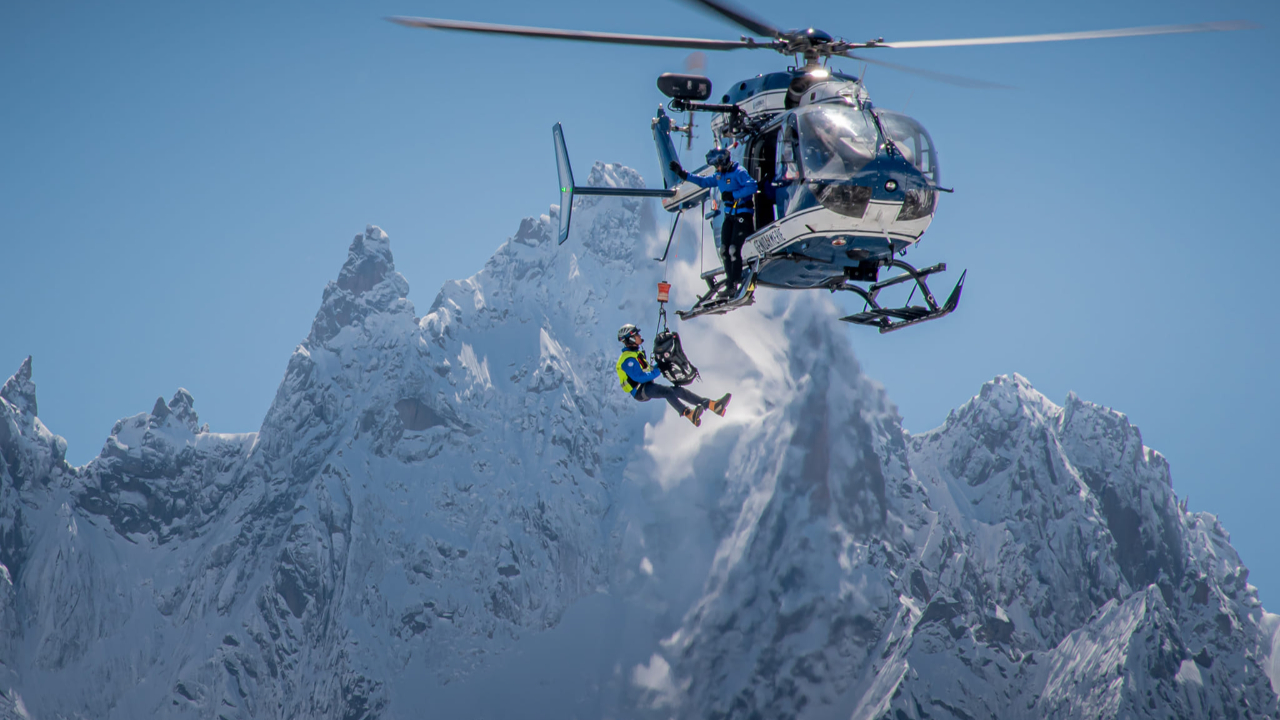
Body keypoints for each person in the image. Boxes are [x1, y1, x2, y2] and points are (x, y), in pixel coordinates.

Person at [670, 148, 758, 297]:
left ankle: (734, 283)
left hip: (743, 215)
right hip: (730, 217)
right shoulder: (719, 176)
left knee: (733, 250)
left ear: (723, 162)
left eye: (717, 166)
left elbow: (753, 186)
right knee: (724, 250)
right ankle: (730, 284)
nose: (716, 169)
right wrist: (683, 174)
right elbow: (703, 182)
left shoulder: (739, 172)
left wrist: (734, 195)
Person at [615, 324, 730, 427]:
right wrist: (659, 369)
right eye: (636, 335)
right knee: (667, 392)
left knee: (677, 391)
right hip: (640, 391)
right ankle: (689, 414)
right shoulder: (627, 360)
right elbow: (638, 377)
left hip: (645, 386)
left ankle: (712, 405)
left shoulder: (635, 354)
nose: (639, 336)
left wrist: (661, 364)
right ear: (630, 339)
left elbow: (648, 370)